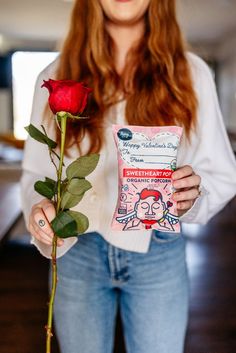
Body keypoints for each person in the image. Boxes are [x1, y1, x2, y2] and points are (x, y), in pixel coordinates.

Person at [20, 1, 236, 353]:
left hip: (158, 251)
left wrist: (192, 196)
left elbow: (221, 174)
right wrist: (38, 210)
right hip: (77, 250)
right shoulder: (56, 72)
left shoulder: (191, 73)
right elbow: (35, 172)